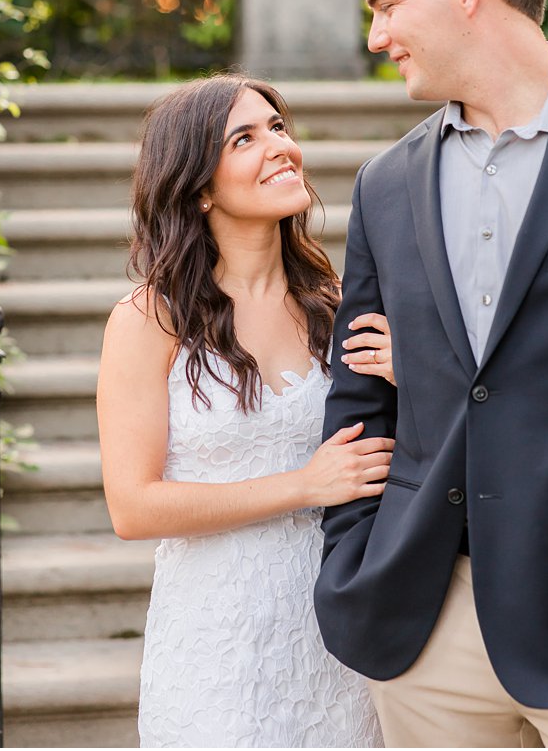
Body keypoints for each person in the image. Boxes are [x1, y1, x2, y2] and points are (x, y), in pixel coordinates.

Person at [316, 0, 548, 748]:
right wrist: (355, 551)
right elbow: (359, 405)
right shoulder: (385, 183)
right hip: (428, 638)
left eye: (386, 4)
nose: (376, 35)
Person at [96, 75, 398, 748]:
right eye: (246, 137)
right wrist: (304, 485)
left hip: (334, 641)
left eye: (279, 128)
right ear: (199, 186)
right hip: (217, 644)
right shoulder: (149, 320)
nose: (279, 147)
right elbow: (133, 506)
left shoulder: (337, 302)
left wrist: (415, 374)